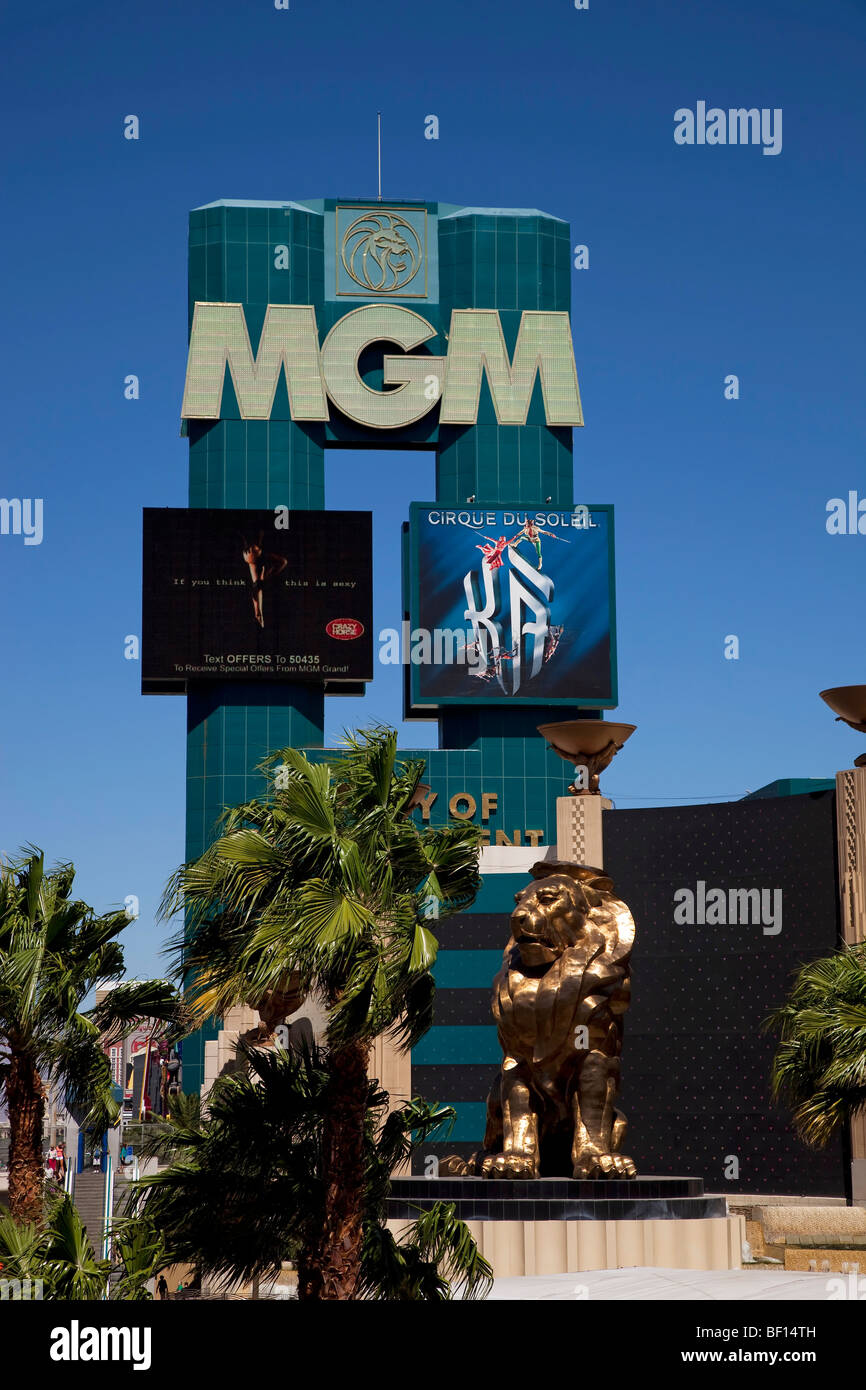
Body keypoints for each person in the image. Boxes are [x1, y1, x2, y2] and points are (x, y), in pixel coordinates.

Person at [241, 533, 287, 627]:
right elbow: (257, 591)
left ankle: (259, 615)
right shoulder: (257, 564)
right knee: (258, 584)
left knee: (258, 584)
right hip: (252, 556)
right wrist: (258, 613)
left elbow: (257, 591)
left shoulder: (257, 565)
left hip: (252, 556)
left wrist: (259, 613)